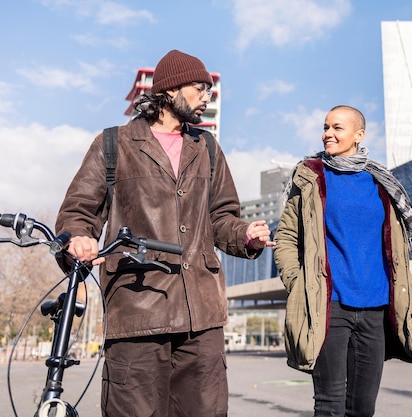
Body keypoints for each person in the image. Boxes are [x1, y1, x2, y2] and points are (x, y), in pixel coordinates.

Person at [55, 49, 274, 417]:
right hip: (137, 310)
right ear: (170, 89)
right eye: (200, 88)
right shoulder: (113, 144)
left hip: (201, 316)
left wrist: (246, 234)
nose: (208, 97)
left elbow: (221, 218)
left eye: (210, 90)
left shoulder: (207, 147)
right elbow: (78, 213)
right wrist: (78, 238)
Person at [273, 105, 412, 417]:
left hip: (375, 309)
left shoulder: (382, 183)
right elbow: (286, 235)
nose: (328, 133)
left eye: (337, 128)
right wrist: (296, 281)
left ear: (359, 135)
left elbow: (396, 245)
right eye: (326, 127)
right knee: (329, 405)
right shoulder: (311, 177)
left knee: (362, 408)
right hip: (329, 306)